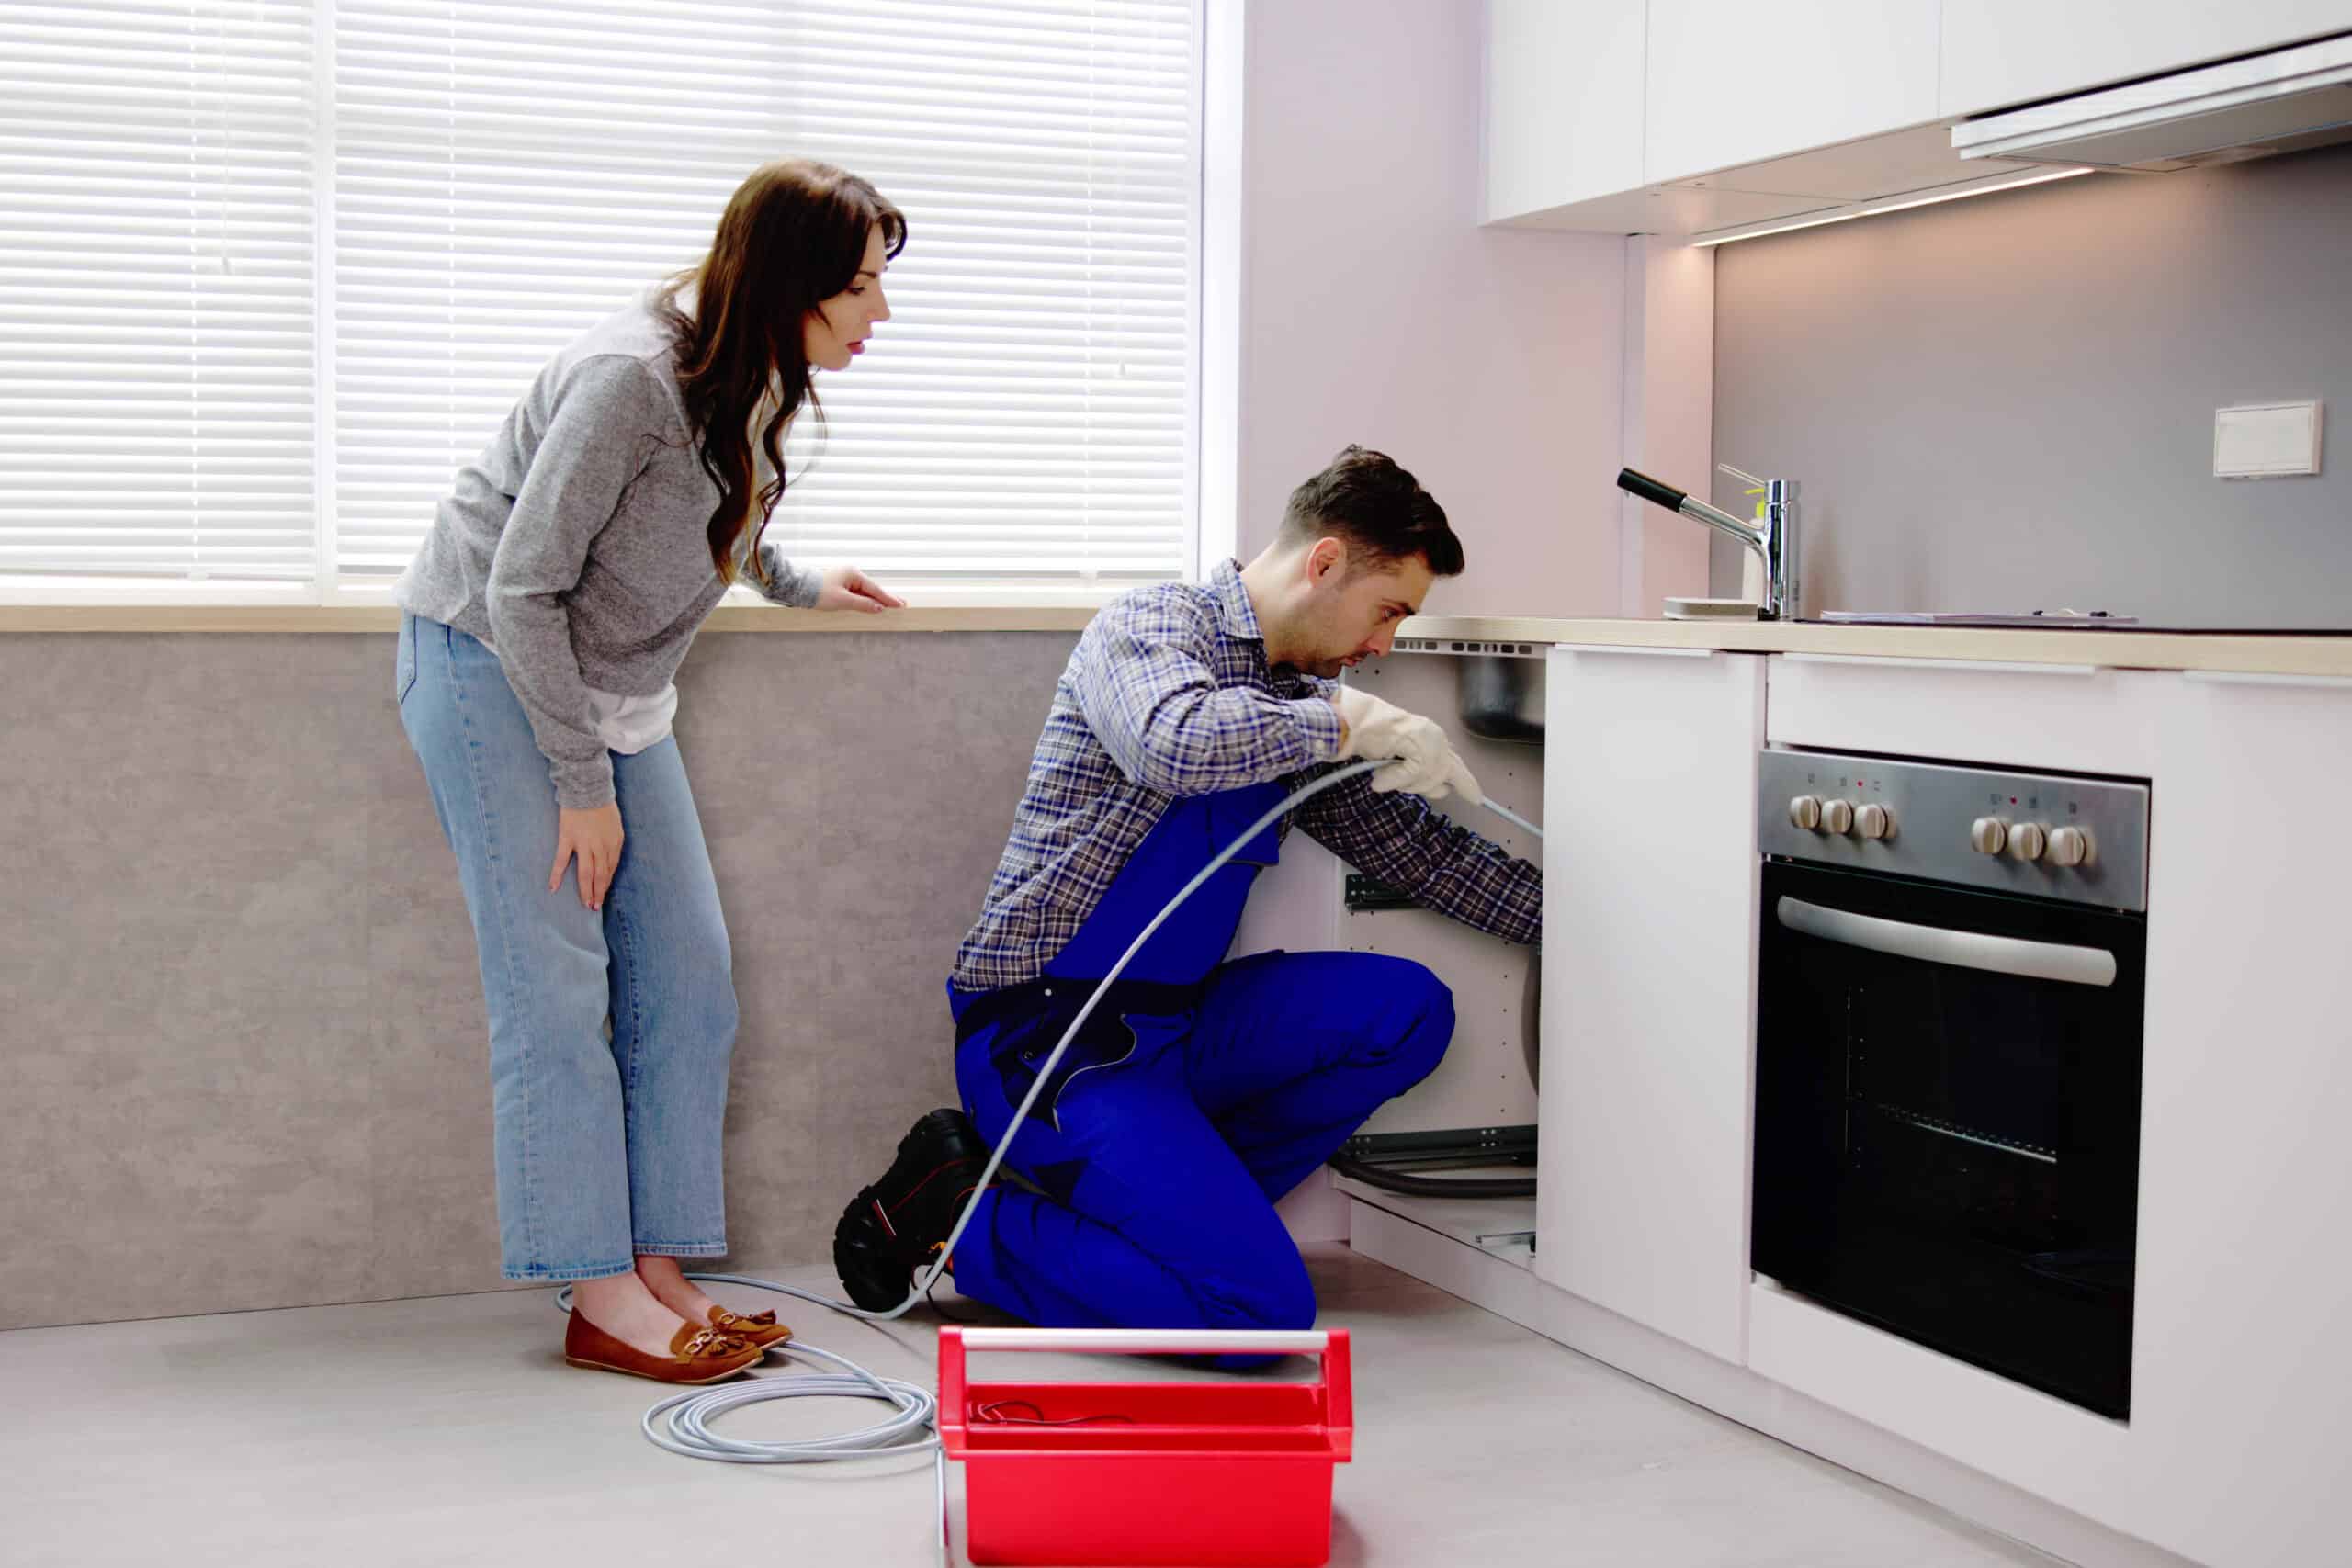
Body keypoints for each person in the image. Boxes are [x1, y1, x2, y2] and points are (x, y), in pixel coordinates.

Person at [832, 446, 1541, 1339]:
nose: (1381, 646)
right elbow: (1172, 741)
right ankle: (960, 1224)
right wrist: (1341, 722)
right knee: (1257, 1309)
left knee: (1406, 1012)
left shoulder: (1302, 698)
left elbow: (1420, 855)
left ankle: (1179, 1225)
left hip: (1177, 1026)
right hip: (1049, 1037)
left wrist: (1582, 926)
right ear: (1323, 563)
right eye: (1386, 611)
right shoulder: (1155, 627)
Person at [394, 159, 907, 1385]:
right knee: (559, 980)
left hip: (612, 686)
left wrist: (797, 582)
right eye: (861, 288)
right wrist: (578, 781)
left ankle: (657, 1258)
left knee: (691, 973)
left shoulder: (753, 373)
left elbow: (708, 513)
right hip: (487, 661)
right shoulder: (632, 381)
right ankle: (598, 1288)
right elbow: (523, 585)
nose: (879, 314)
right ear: (790, 284)